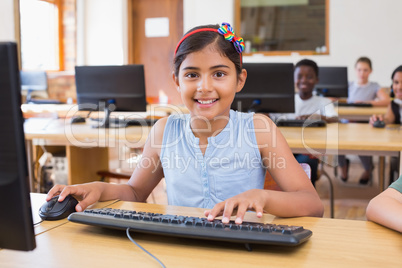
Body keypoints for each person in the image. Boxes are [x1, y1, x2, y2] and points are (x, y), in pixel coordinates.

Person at [47, 23, 324, 223]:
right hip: (180, 247)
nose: (204, 87)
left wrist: (262, 197)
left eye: (219, 73)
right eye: (192, 75)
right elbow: (134, 191)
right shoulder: (165, 131)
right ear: (177, 81)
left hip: (242, 249)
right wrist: (99, 188)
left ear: (239, 80)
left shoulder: (258, 129)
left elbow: (312, 204)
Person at [271, 59, 338, 186]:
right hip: (284, 149)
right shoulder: (286, 100)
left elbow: (334, 119)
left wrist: (320, 117)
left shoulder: (323, 102)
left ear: (317, 80)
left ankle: (306, 201)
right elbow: (271, 116)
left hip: (307, 150)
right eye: (299, 76)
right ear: (293, 79)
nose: (304, 80)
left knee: (307, 162)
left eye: (309, 77)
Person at [339, 57, 391, 184]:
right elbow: (334, 99)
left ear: (370, 71)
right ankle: (343, 168)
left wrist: (364, 103)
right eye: (359, 70)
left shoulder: (374, 86)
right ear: (355, 70)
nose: (362, 73)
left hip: (363, 123)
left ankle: (368, 169)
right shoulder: (349, 85)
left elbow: (386, 100)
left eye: (365, 70)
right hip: (346, 122)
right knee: (337, 141)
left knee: (361, 142)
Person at [369, 65, 402, 185]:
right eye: (396, 82)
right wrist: (379, 118)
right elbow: (389, 119)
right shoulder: (395, 104)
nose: (399, 87)